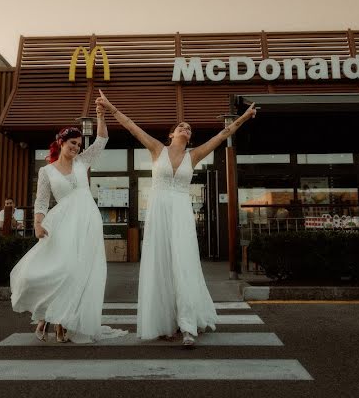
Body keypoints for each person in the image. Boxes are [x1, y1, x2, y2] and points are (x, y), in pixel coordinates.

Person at [97, 90, 257, 347]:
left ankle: (187, 325)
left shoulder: (193, 156)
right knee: (161, 264)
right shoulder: (156, 149)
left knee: (183, 263)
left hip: (181, 213)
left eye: (189, 128)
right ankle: (164, 321)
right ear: (171, 134)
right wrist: (109, 107)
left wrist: (245, 117)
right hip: (159, 212)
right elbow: (131, 126)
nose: (186, 129)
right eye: (181, 127)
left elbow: (223, 134)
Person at [9, 103, 127, 344]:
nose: (76, 147)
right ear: (61, 143)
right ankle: (46, 315)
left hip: (87, 222)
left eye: (79, 145)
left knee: (79, 271)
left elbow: (102, 139)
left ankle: (63, 319)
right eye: (72, 143)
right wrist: (38, 223)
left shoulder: (83, 162)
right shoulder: (47, 172)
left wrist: (100, 116)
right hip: (61, 223)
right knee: (59, 269)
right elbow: (41, 201)